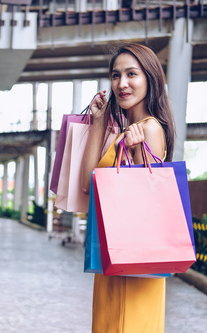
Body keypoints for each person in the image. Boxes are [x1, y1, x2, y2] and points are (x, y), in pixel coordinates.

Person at [80, 43, 176, 332]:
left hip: (135, 263)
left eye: (131, 74)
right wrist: (98, 124)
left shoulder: (150, 129)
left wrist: (137, 154)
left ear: (150, 78)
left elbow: (146, 205)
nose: (122, 84)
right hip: (115, 257)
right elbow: (89, 186)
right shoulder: (124, 132)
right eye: (115, 75)